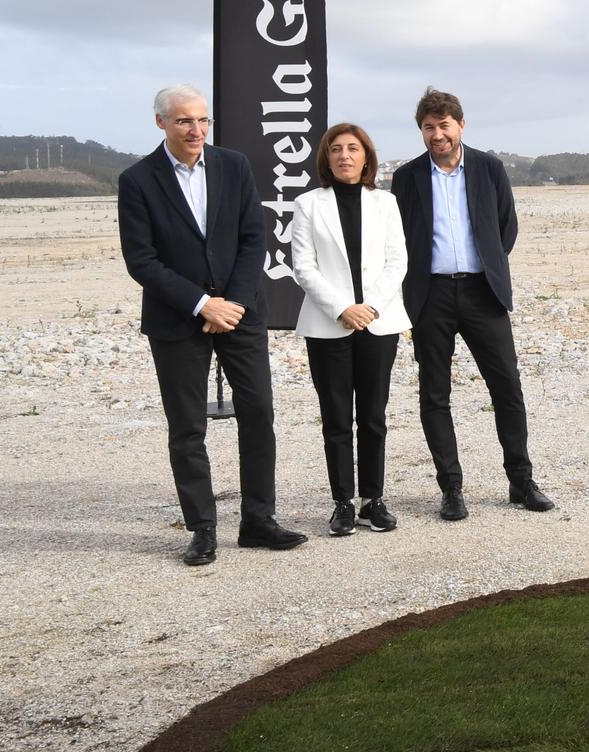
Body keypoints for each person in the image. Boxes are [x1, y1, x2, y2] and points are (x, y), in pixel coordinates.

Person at [117, 84, 306, 565]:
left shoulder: (234, 165)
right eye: (184, 121)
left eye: (203, 120)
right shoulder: (137, 180)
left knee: (259, 413)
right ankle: (202, 529)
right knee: (187, 427)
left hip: (241, 313)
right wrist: (203, 304)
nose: (196, 130)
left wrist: (232, 304)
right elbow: (142, 260)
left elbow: (253, 238)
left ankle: (259, 521)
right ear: (161, 122)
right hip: (177, 320)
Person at [392, 88, 553, 520]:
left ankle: (521, 481)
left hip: (484, 292)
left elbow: (506, 229)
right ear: (421, 131)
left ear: (461, 125)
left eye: (444, 125)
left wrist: (487, 266)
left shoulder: (489, 168)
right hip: (431, 296)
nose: (437, 134)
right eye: (429, 127)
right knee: (435, 395)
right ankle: (451, 489)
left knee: (507, 388)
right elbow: (400, 237)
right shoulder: (406, 178)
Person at [289, 122, 411, 537]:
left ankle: (372, 500)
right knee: (336, 419)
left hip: (379, 323)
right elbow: (303, 266)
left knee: (374, 417)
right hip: (329, 325)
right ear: (326, 157)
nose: (344, 155)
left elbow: (398, 261)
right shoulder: (308, 204)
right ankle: (342, 502)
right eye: (336, 149)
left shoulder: (386, 203)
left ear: (366, 156)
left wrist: (370, 307)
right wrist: (342, 308)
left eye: (353, 148)